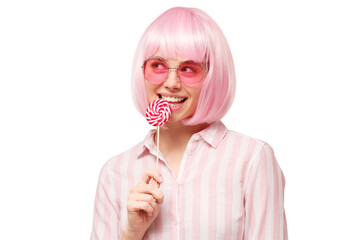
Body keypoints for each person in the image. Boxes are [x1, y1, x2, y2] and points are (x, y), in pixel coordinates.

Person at [91, 7, 288, 240]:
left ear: (213, 76)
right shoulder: (115, 172)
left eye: (188, 69)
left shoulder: (252, 159)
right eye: (158, 66)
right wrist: (132, 232)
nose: (171, 83)